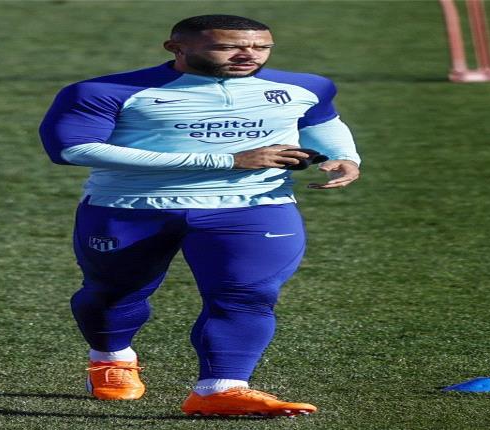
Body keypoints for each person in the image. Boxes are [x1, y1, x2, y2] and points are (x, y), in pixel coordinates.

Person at [39, 14, 361, 417]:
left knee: (249, 294)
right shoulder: (104, 91)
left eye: (261, 47)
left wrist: (344, 157)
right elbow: (72, 149)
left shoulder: (308, 87)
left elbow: (321, 122)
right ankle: (111, 357)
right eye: (228, 47)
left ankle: (221, 388)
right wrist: (228, 160)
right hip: (130, 208)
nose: (248, 55)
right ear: (176, 48)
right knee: (113, 293)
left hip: (255, 207)